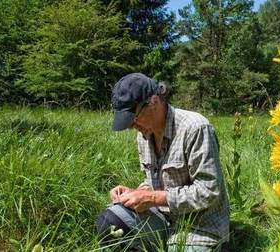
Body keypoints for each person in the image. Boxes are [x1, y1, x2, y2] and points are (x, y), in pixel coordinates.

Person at [96, 73, 230, 251]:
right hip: (162, 217)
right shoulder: (143, 136)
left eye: (133, 117)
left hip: (200, 226)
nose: (130, 126)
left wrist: (152, 198)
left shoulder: (196, 128)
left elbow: (209, 191)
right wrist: (136, 193)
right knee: (110, 222)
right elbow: (154, 182)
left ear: (154, 101)